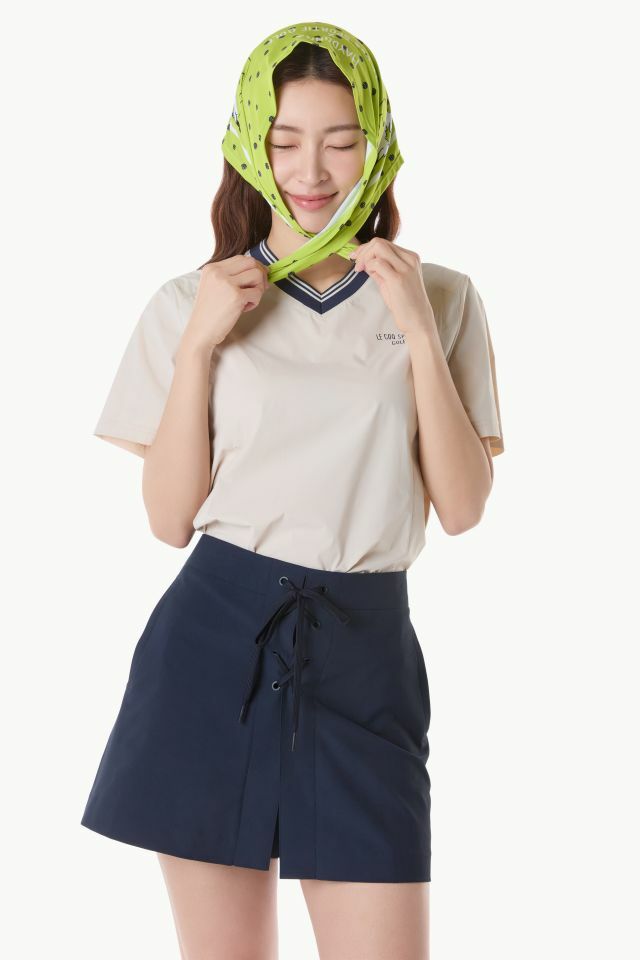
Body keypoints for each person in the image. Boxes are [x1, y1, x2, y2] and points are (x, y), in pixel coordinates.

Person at [80, 21, 504, 960]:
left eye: (341, 141)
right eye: (286, 141)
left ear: (377, 145)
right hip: (212, 652)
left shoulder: (441, 297)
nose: (312, 172)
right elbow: (168, 520)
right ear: (249, 147)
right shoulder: (188, 305)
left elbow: (464, 507)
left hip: (367, 660)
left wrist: (415, 332)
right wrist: (200, 345)